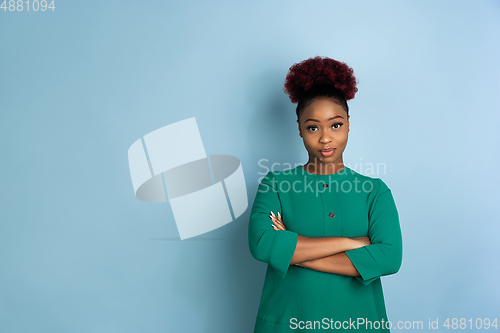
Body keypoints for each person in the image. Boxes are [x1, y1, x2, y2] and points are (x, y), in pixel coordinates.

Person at [248, 56, 403, 332]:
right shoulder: (275, 184)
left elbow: (390, 258)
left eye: (335, 125)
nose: (325, 138)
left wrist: (293, 252)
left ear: (348, 123)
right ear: (299, 128)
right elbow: (261, 244)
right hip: (287, 323)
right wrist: (351, 242)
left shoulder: (374, 191)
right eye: (312, 127)